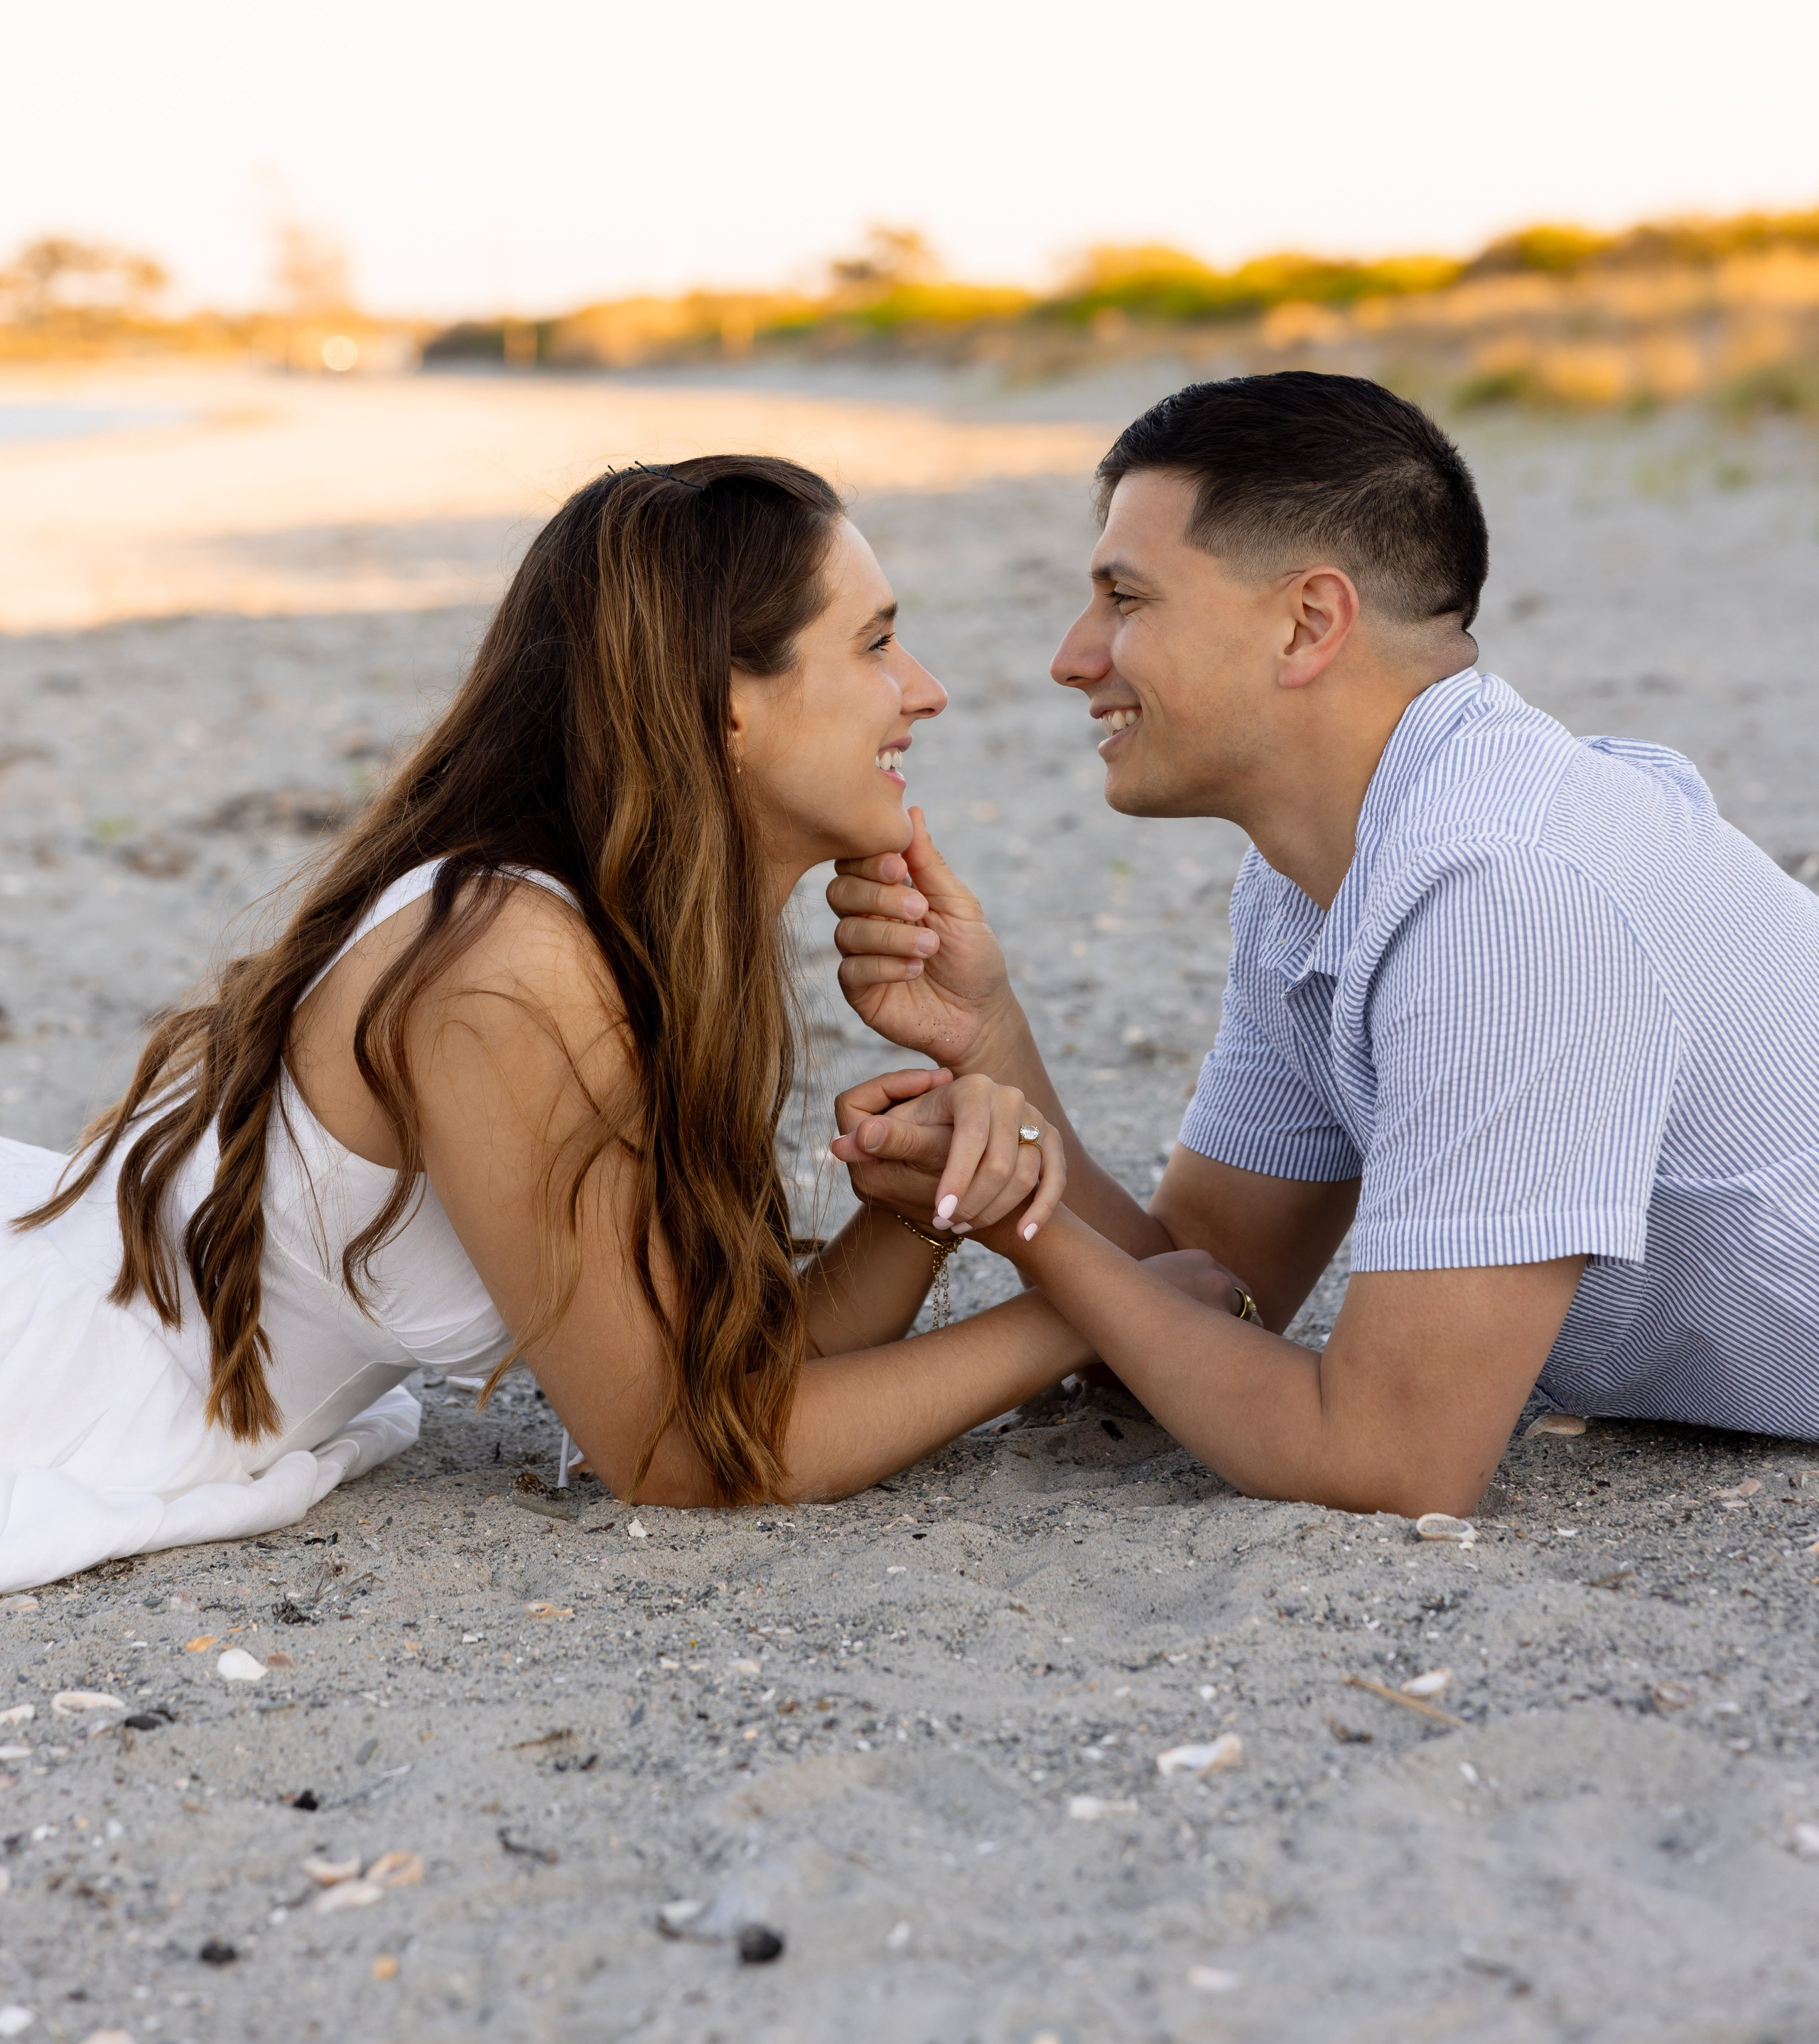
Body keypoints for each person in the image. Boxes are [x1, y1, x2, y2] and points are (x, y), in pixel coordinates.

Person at [1, 452, 1209, 1596]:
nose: (925, 690)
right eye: (879, 642)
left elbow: (727, 1373)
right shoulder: (513, 971)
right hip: (57, 1394)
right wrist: (1089, 1307)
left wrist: (921, 1209)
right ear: (727, 705)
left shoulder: (619, 936)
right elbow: (678, 1451)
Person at [827, 371, 1819, 1515]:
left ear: (1307, 622)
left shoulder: (1505, 893)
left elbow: (1393, 1461)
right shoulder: (1327, 871)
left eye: (1125, 598)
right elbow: (1194, 1288)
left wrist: (1025, 1224)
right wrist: (988, 1038)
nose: (1073, 655)